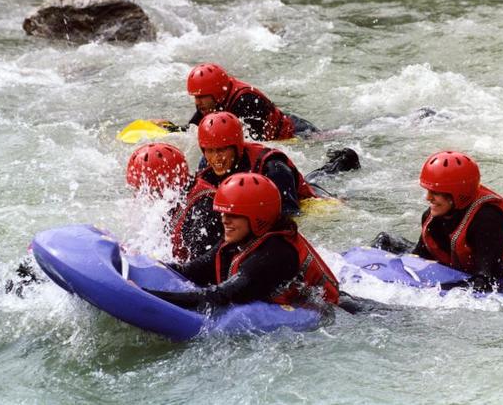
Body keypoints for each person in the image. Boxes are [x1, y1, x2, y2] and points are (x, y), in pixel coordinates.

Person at [374, 150, 503, 291]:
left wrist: (438, 289)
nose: (428, 198)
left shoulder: (487, 219)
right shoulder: (431, 217)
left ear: (457, 194)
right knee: (386, 241)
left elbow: (486, 280)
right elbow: (419, 258)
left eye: (436, 193)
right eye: (428, 191)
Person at [141, 173, 340, 309]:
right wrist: (143, 265)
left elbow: (219, 296)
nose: (223, 220)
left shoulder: (276, 253)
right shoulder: (237, 240)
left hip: (337, 313)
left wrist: (148, 297)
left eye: (233, 215)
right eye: (222, 213)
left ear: (258, 216)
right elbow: (189, 272)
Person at [195, 111, 360, 215]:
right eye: (209, 150)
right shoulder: (206, 165)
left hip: (307, 201)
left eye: (222, 150)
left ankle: (343, 161)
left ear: (236, 146)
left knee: (326, 187)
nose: (215, 158)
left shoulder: (272, 168)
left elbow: (289, 217)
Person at [126, 143, 222, 262]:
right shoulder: (174, 199)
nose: (138, 195)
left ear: (163, 185)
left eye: (143, 189)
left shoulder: (203, 210)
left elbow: (200, 267)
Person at [185, 63, 318, 141]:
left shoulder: (246, 101)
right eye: (196, 97)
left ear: (216, 94)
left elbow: (256, 141)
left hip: (297, 131)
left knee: (327, 137)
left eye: (201, 97)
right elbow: (192, 130)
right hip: (281, 123)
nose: (197, 102)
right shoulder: (208, 102)